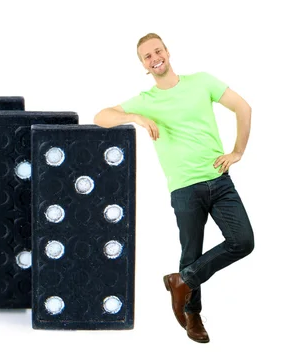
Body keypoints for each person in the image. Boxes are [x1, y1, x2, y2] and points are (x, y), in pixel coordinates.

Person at [93, 33, 255, 343]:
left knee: (243, 241)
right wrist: (135, 117)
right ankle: (193, 315)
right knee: (190, 252)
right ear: (144, 65)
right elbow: (101, 116)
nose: (154, 58)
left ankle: (182, 281)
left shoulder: (202, 82)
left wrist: (237, 153)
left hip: (219, 181)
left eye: (157, 51)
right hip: (183, 189)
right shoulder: (147, 100)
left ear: (167, 52)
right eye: (147, 56)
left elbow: (244, 108)